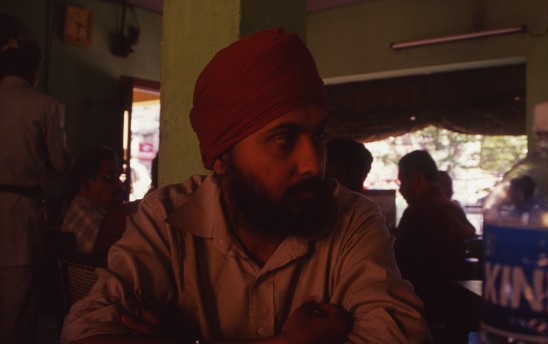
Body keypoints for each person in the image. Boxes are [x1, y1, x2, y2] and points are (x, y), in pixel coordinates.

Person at [61, 28, 431, 344]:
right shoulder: (166, 220)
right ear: (222, 158)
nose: (312, 163)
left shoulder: (352, 220)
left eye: (318, 135)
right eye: (284, 139)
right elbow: (88, 332)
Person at [0, 44, 72, 344]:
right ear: (33, 72)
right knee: (18, 307)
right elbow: (60, 161)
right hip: (22, 212)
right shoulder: (44, 105)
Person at [391, 150, 475, 332]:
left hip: (424, 313)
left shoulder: (418, 213)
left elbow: (398, 267)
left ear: (415, 176)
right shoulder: (453, 210)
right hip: (454, 313)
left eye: (402, 181)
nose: (401, 188)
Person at [59, 147, 127, 254]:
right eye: (110, 177)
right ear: (86, 183)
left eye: (118, 176)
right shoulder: (90, 218)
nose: (119, 184)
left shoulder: (79, 206)